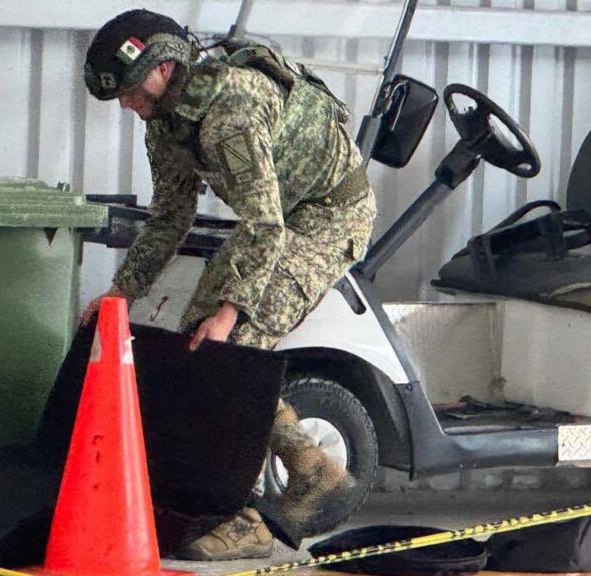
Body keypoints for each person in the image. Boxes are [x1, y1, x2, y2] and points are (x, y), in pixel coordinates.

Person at [80, 10, 376, 560]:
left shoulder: (228, 115)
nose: (125, 103)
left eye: (131, 90)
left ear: (165, 68)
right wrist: (121, 292)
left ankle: (249, 521)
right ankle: (313, 468)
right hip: (277, 218)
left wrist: (230, 311)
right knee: (200, 346)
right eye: (119, 95)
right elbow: (171, 217)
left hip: (327, 218)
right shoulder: (165, 120)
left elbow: (266, 226)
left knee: (231, 350)